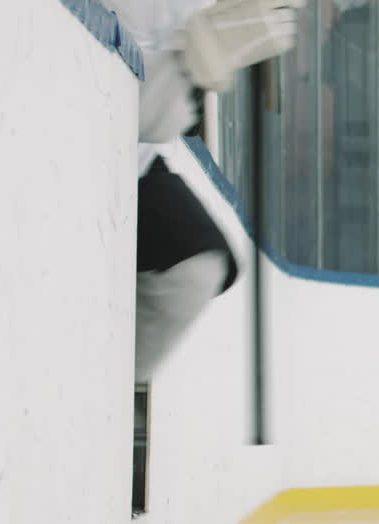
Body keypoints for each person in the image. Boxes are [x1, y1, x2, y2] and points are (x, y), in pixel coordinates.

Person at [106, 0, 304, 382]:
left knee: (198, 265)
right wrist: (193, 60)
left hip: (135, 156)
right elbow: (109, 101)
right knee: (192, 266)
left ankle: (105, 401)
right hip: (84, 147)